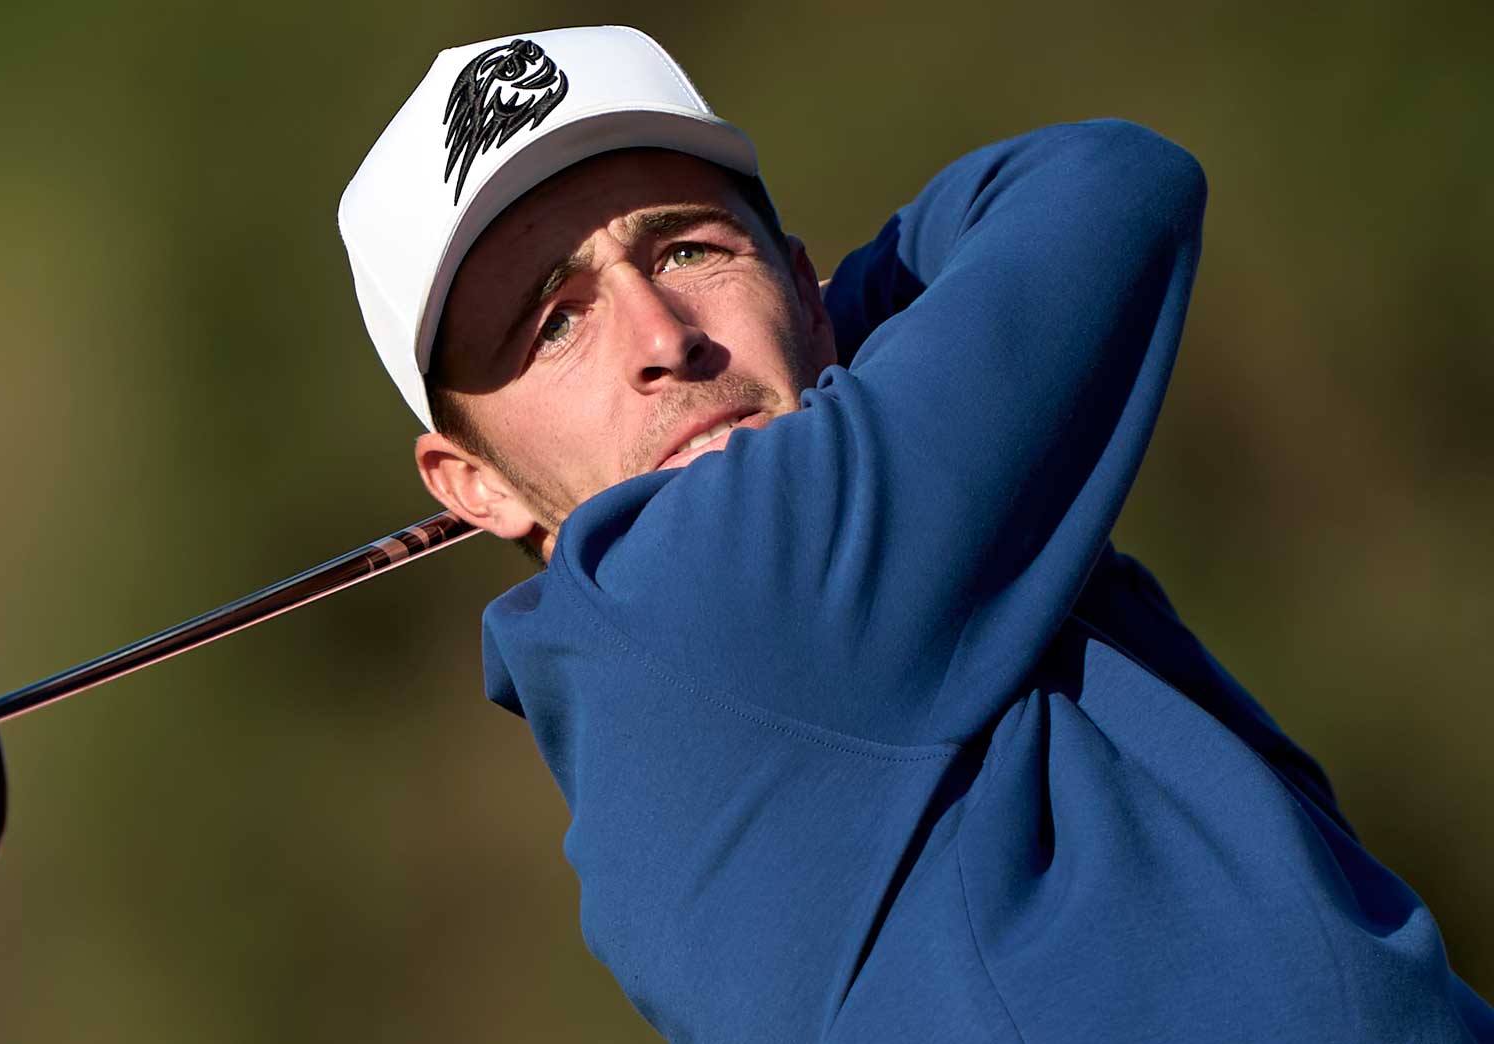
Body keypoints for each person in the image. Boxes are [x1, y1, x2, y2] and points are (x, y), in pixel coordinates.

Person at [339, 25, 1492, 1043]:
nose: (661, 337)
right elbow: (1104, 181)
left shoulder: (898, 574)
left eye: (687, 251)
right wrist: (856, 318)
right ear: (471, 487)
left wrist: (827, 352)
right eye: (553, 324)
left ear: (796, 281)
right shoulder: (708, 597)